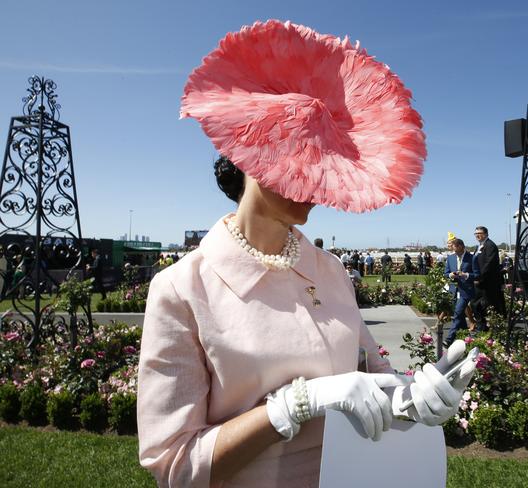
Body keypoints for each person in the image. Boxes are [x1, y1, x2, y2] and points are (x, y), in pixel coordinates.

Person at [137, 20, 475, 488]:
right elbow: (176, 467)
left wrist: (417, 397)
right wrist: (293, 405)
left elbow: (373, 378)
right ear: (251, 152)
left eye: (327, 162)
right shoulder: (181, 288)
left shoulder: (331, 270)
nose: (318, 181)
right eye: (302, 160)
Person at [443, 239, 477, 346]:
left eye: (455, 247)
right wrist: (450, 275)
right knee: (460, 316)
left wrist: (465, 275)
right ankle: (464, 338)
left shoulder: (472, 258)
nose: (453, 250)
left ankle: (449, 339)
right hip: (454, 289)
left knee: (457, 313)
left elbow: (477, 274)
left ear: (461, 246)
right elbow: (446, 273)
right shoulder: (450, 258)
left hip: (466, 290)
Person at [471, 226, 505, 331]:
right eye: (475, 233)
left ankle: (498, 326)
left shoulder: (490, 246)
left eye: (479, 233)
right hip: (479, 281)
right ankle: (482, 326)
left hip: (488, 282)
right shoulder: (478, 247)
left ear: (485, 234)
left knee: (493, 304)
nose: (477, 235)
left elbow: (489, 264)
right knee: (475, 304)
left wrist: (479, 277)